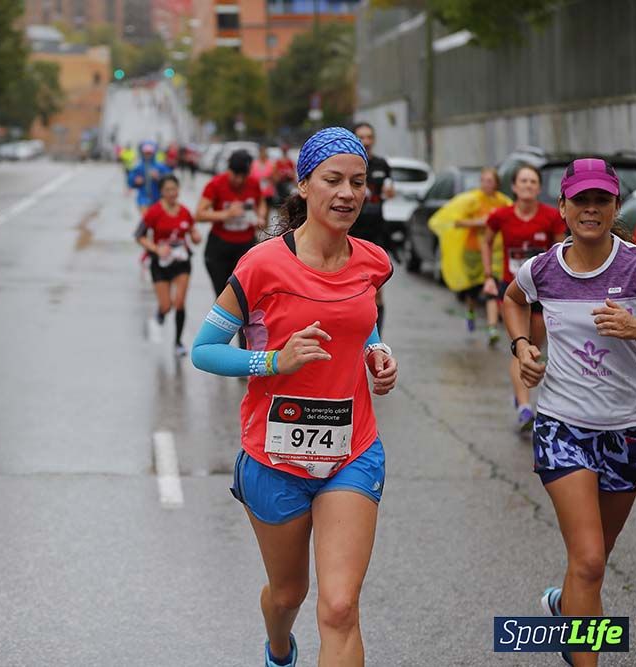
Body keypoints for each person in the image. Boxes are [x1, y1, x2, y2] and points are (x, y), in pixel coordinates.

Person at [191, 127, 399, 667]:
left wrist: (376, 350)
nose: (348, 193)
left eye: (358, 182)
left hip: (351, 451)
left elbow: (361, 320)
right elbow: (204, 350)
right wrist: (273, 361)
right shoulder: (261, 265)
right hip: (274, 456)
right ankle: (278, 646)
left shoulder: (373, 261)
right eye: (333, 180)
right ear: (304, 184)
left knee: (339, 605)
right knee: (289, 595)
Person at [503, 158, 636, 667]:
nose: (591, 209)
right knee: (587, 561)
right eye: (580, 200)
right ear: (562, 207)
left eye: (601, 200)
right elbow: (512, 298)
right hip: (563, 427)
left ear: (614, 207)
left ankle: (565, 611)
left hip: (630, 432)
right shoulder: (542, 269)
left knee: (592, 566)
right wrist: (522, 345)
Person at [481, 165, 566, 431]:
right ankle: (524, 406)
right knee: (520, 346)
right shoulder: (501, 216)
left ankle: (525, 399)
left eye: (532, 182)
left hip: (543, 291)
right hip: (514, 289)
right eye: (523, 181)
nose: (528, 185)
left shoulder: (552, 217)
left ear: (539, 188)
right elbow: (486, 241)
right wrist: (488, 276)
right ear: (514, 187)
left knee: (535, 349)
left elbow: (562, 250)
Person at [428, 168, 512, 341]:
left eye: (490, 181)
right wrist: (478, 222)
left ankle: (492, 329)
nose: (486, 184)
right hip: (472, 252)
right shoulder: (471, 200)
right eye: (483, 180)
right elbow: (455, 221)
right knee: (473, 292)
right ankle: (471, 311)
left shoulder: (503, 202)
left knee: (492, 289)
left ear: (497, 183)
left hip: (494, 254)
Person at [196, 149, 266, 347]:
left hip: (245, 248)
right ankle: (219, 346)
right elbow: (199, 214)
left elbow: (261, 205)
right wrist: (226, 214)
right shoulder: (216, 184)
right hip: (219, 249)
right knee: (226, 301)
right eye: (236, 176)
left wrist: (260, 217)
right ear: (229, 171)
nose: (239, 180)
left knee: (247, 301)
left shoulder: (252, 184)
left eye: (243, 176)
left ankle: (244, 349)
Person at [135, 174, 201, 355]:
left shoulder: (185, 211)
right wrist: (156, 249)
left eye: (174, 189)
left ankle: (178, 343)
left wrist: (196, 236)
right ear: (162, 192)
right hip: (160, 264)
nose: (172, 193)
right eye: (167, 190)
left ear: (178, 190)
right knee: (166, 306)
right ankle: (160, 314)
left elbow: (193, 232)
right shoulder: (154, 212)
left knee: (179, 302)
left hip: (181, 262)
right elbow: (139, 236)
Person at [349, 122, 394, 331]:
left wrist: (389, 193)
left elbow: (389, 189)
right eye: (361, 137)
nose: (366, 141)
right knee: (349, 284)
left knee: (377, 288)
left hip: (376, 231)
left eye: (369, 137)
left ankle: (376, 339)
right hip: (351, 230)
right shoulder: (348, 164)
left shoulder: (382, 164)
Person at [128, 141, 171, 215]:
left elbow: (170, 179)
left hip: (159, 199)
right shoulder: (139, 167)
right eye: (146, 152)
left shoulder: (160, 166)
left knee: (158, 222)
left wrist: (159, 177)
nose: (148, 154)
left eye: (150, 152)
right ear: (142, 152)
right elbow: (130, 180)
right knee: (147, 220)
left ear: (153, 152)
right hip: (143, 199)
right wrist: (135, 180)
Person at [251, 146, 277, 223]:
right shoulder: (254, 164)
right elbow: (250, 177)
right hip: (257, 192)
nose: (263, 154)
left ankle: (265, 231)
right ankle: (259, 228)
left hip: (268, 192)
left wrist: (270, 177)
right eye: (261, 153)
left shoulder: (271, 164)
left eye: (264, 153)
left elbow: (276, 179)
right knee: (257, 213)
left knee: (267, 214)